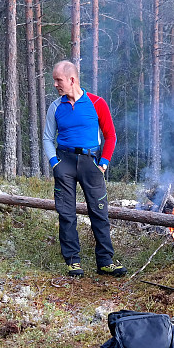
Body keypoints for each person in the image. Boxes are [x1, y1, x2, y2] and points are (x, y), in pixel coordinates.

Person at [42, 60, 126, 278]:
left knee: (99, 212)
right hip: (65, 163)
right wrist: (55, 164)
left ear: (72, 79)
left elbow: (111, 136)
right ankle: (73, 262)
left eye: (58, 80)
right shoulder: (55, 107)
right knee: (66, 213)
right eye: (54, 80)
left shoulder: (97, 103)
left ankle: (105, 261)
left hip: (91, 163)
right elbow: (47, 138)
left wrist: (104, 163)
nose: (55, 84)